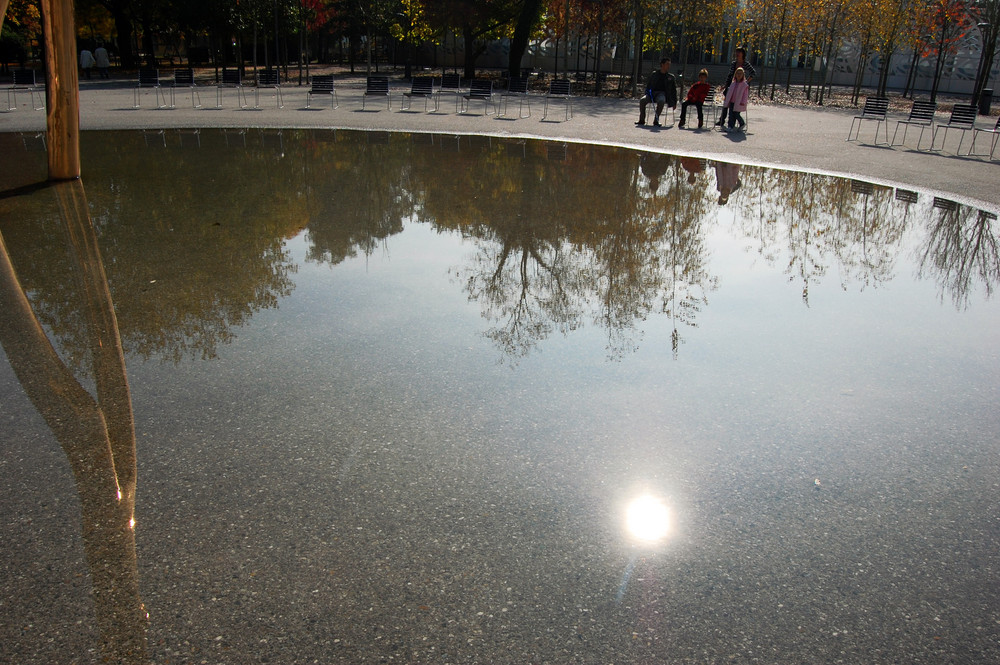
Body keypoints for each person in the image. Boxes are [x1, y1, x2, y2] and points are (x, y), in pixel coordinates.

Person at [715, 48, 756, 128]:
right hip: (731, 86)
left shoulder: (745, 64)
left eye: (739, 53)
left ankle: (733, 122)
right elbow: (730, 75)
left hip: (740, 89)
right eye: (736, 52)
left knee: (735, 105)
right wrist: (725, 85)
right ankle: (722, 120)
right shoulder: (734, 63)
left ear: (742, 54)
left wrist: (745, 82)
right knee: (726, 103)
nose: (737, 54)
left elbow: (753, 73)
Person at [635, 58, 677, 127]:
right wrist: (648, 93)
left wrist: (674, 102)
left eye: (669, 64)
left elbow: (673, 91)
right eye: (667, 64)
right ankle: (641, 120)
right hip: (652, 93)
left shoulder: (671, 77)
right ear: (662, 65)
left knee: (661, 101)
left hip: (662, 94)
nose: (668, 66)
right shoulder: (654, 74)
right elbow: (648, 85)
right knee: (642, 100)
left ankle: (656, 120)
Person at [722, 67, 749, 132]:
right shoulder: (733, 83)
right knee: (731, 115)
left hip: (739, 102)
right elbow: (730, 93)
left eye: (740, 73)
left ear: (743, 75)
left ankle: (742, 123)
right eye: (737, 73)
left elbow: (745, 95)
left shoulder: (744, 85)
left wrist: (743, 102)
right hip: (732, 101)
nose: (739, 75)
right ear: (735, 74)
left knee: (736, 114)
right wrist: (727, 100)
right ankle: (730, 126)